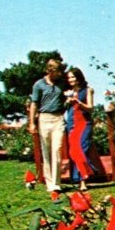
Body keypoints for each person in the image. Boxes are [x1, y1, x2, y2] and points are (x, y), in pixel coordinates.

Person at [28, 59, 66, 202]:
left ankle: (56, 184)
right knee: (47, 152)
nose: (60, 73)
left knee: (57, 150)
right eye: (57, 71)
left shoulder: (62, 84)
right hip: (44, 118)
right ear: (50, 71)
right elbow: (34, 104)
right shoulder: (39, 85)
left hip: (58, 118)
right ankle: (50, 184)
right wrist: (32, 123)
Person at [65, 67, 95, 191]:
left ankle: (83, 181)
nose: (71, 79)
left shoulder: (88, 90)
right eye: (69, 77)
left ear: (79, 77)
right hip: (72, 124)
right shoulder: (69, 92)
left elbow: (90, 108)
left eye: (73, 77)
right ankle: (80, 177)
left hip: (84, 123)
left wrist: (78, 102)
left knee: (81, 150)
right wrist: (67, 102)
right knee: (73, 152)